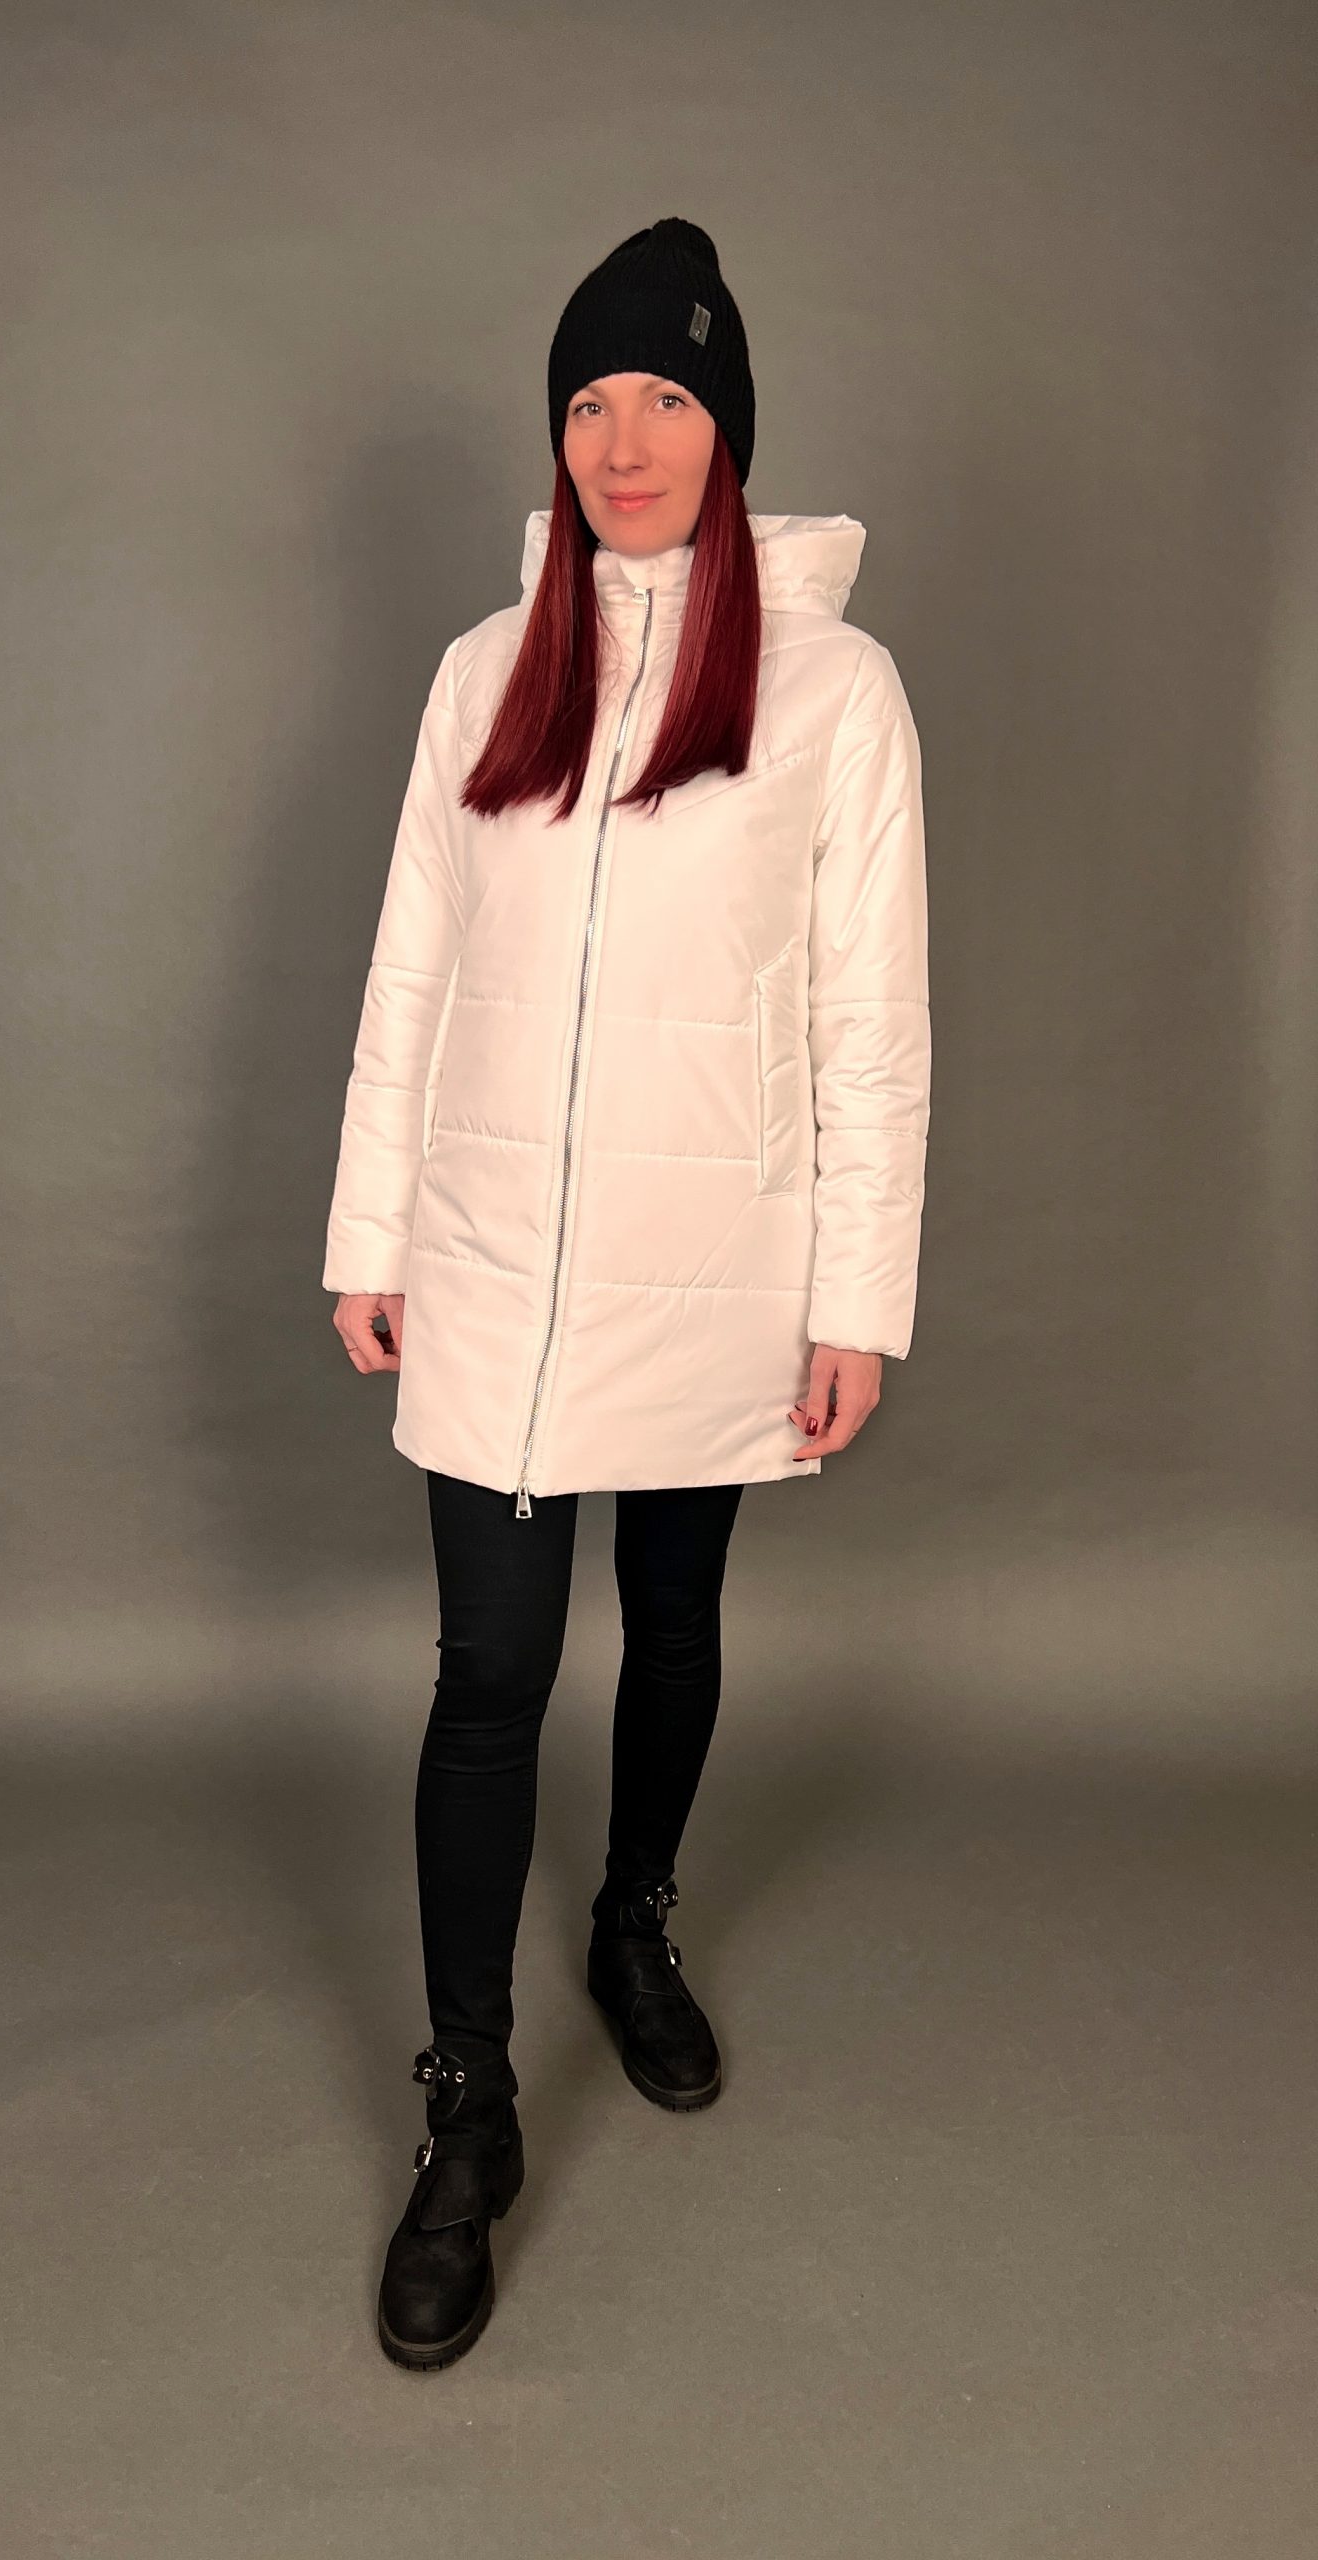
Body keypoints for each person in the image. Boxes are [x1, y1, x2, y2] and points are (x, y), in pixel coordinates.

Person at [321, 217, 931, 2371]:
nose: (623, 438)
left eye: (665, 395)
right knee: (488, 1672)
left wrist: (856, 1295)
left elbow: (870, 1021)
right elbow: (414, 963)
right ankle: (468, 2107)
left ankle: (634, 1920)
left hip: (719, 1264)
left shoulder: (835, 693)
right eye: (588, 400)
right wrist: (370, 1232)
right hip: (493, 1257)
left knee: (671, 1622)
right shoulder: (482, 673)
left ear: (728, 428)